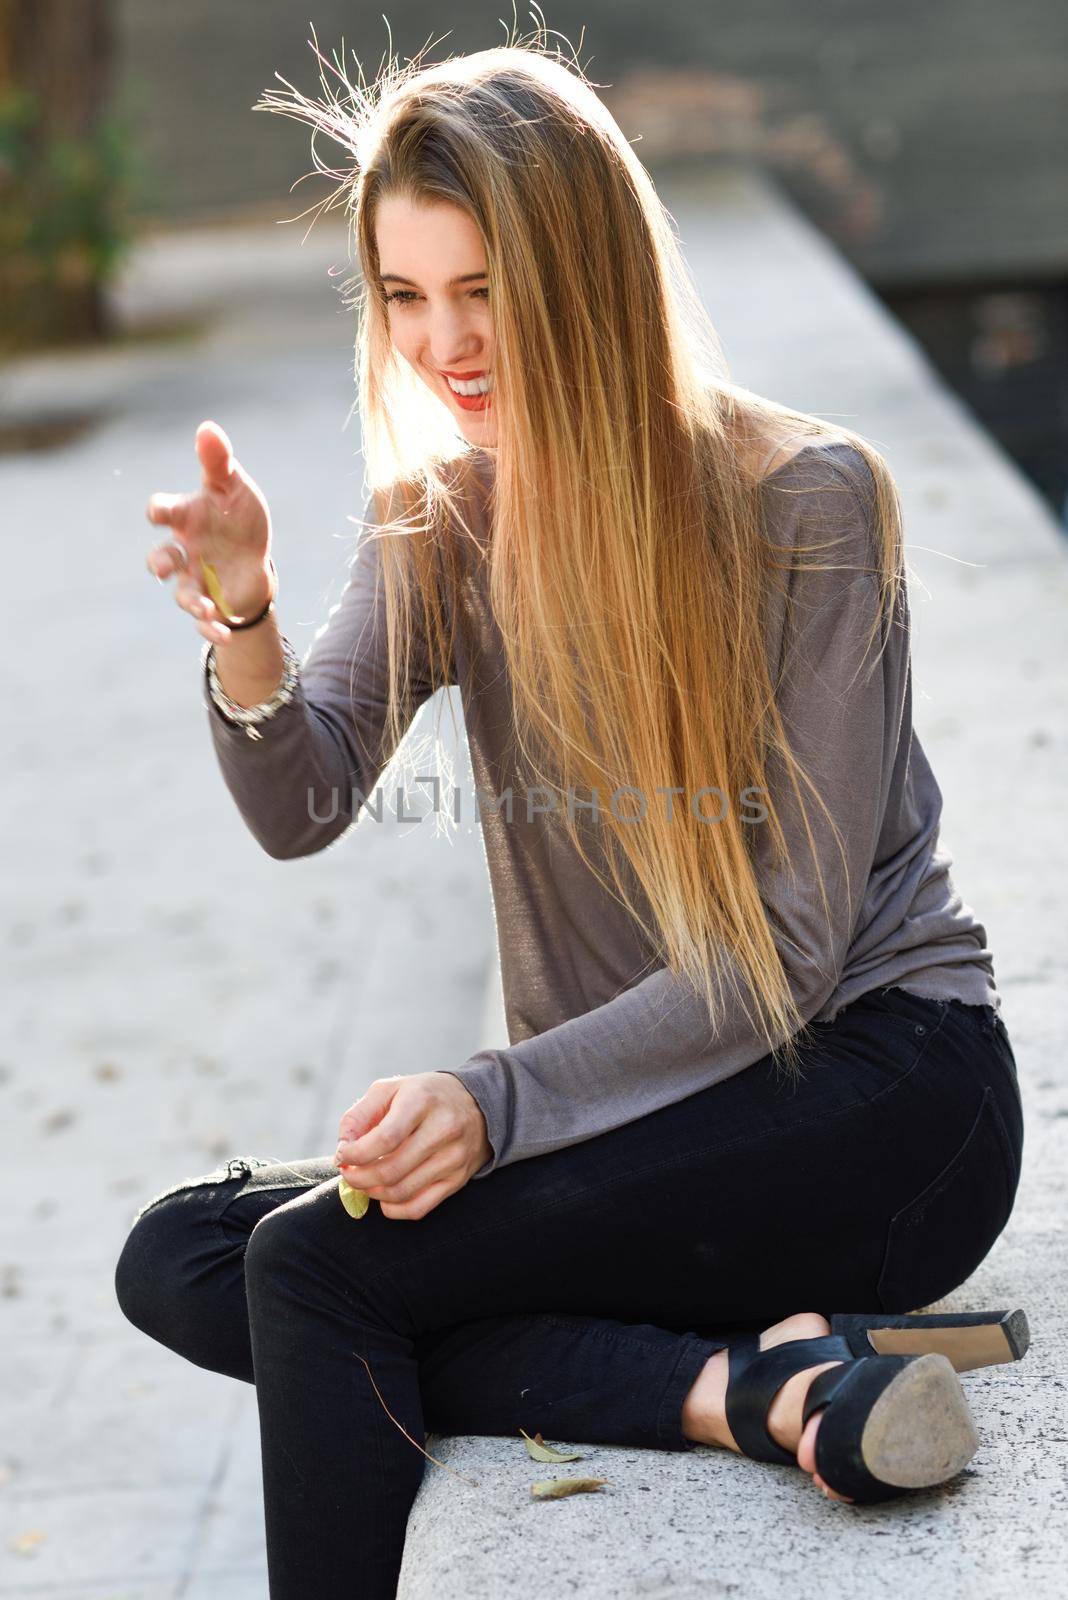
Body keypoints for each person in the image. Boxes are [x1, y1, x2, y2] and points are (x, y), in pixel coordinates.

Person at [114, 31, 1028, 1599]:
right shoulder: (443, 518)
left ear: (587, 267)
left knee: (319, 1273)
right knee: (180, 1257)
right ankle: (752, 1389)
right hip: (646, 1115)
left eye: (483, 290)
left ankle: (739, 1363)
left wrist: (493, 1102)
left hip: (883, 1092)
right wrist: (246, 614)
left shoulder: (808, 501)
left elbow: (793, 952)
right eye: (405, 297)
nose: (442, 345)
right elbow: (304, 797)